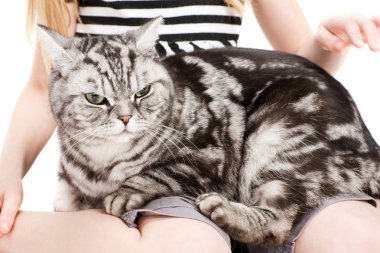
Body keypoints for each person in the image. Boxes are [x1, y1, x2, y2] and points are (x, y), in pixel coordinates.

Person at [1, 0, 380, 252]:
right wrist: (8, 169)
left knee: (356, 236)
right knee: (188, 243)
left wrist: (327, 43)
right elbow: (41, 87)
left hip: (237, 133)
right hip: (163, 168)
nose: (123, 115)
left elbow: (295, 61)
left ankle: (267, 219)